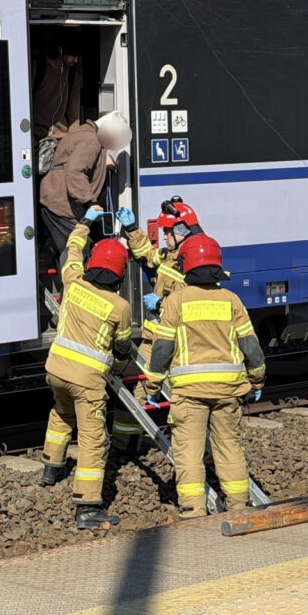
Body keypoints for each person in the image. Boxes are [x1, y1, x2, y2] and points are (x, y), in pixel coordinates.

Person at [144, 235, 266, 519]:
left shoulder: (175, 301)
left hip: (190, 394)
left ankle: (193, 511)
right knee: (229, 447)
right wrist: (257, 380)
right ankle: (238, 506)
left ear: (187, 265)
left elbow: (162, 350)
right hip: (229, 392)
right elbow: (252, 348)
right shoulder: (231, 300)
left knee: (189, 452)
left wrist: (152, 385)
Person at [40, 205, 133, 530]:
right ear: (119, 274)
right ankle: (88, 507)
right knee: (93, 439)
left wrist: (85, 222)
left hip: (56, 370)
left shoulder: (73, 282)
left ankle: (51, 468)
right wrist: (118, 369)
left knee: (61, 413)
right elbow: (121, 348)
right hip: (88, 382)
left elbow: (73, 248)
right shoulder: (120, 307)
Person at [111, 198, 205, 453]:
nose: (163, 236)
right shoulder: (170, 255)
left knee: (182, 399)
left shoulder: (196, 262)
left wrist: (161, 305)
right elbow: (148, 255)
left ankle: (188, 449)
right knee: (135, 390)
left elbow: (191, 308)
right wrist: (131, 229)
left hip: (179, 344)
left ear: (182, 231)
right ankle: (125, 448)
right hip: (156, 338)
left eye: (167, 232)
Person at [39, 112, 132, 268]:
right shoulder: (92, 140)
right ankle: (74, 287)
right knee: (79, 250)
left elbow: (78, 162)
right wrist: (91, 202)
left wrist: (103, 164)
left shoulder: (85, 133)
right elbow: (76, 172)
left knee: (69, 246)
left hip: (53, 200)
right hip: (62, 206)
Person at [31, 29, 82, 144]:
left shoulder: (73, 76)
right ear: (60, 49)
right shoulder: (38, 68)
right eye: (72, 55)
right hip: (34, 138)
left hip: (60, 140)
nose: (75, 60)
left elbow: (74, 115)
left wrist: (72, 142)